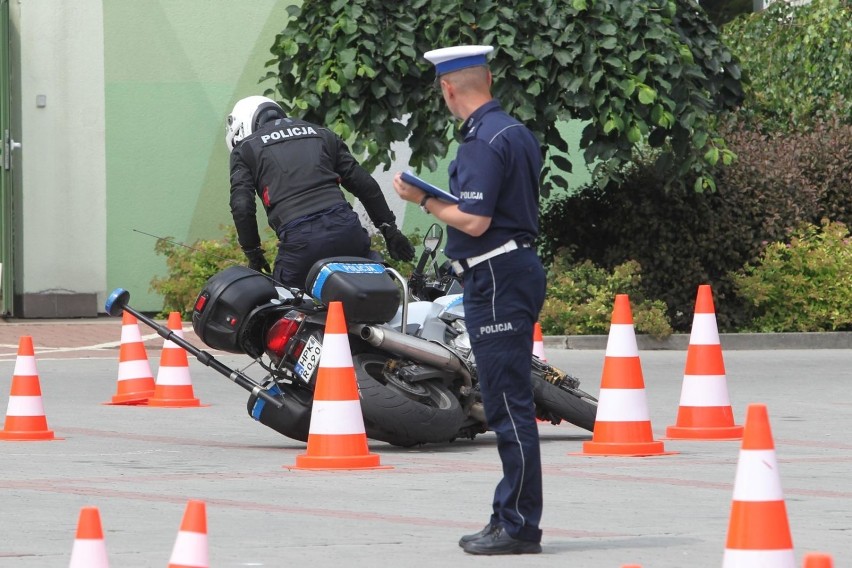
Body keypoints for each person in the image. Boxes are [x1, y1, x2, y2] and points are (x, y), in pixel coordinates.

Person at [392, 45, 546, 555]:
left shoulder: (481, 141)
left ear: (448, 88)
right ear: (489, 78)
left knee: (507, 404)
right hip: (513, 268)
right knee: (507, 399)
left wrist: (425, 200)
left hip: (496, 275)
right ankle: (509, 513)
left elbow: (475, 221)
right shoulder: (515, 132)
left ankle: (519, 525)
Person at [225, 96, 414, 289]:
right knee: (368, 298)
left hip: (301, 241)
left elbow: (242, 206)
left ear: (240, 129)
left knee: (282, 308)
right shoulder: (321, 133)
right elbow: (364, 184)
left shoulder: (246, 148)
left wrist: (253, 253)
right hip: (348, 231)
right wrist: (390, 231)